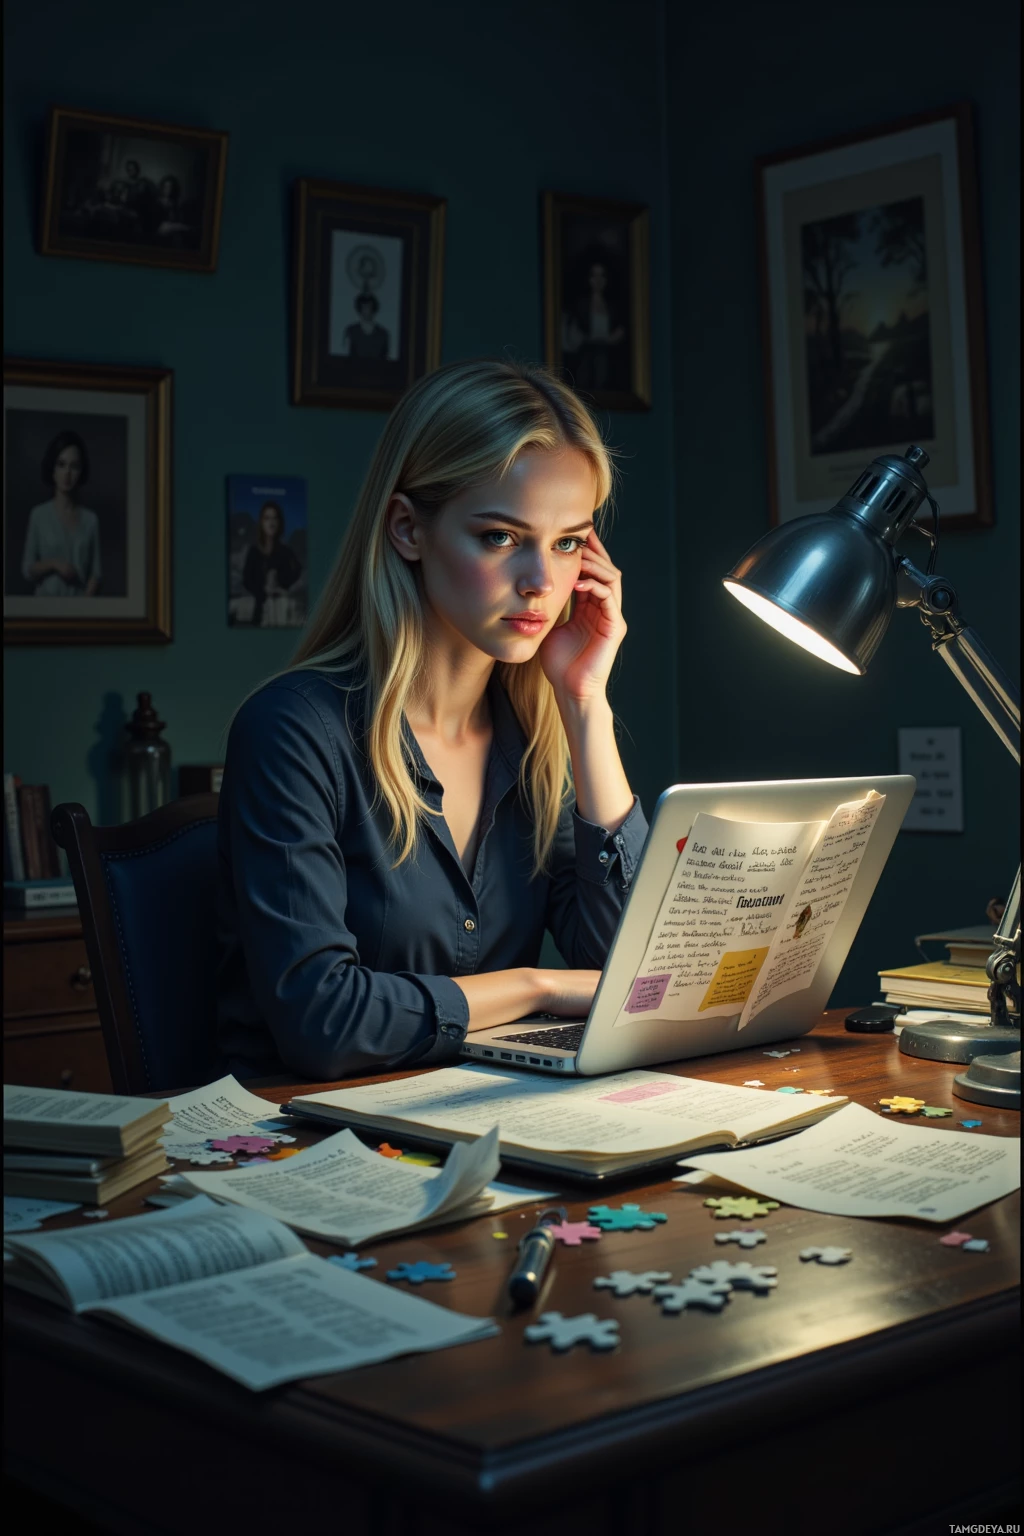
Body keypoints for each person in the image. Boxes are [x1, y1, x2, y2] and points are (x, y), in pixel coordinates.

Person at [217, 357, 647, 1081]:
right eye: (500, 537)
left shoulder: (537, 741)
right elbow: (324, 1024)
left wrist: (585, 706)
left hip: (482, 1129)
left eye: (568, 541)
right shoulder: (292, 731)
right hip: (297, 1145)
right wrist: (539, 987)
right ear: (409, 529)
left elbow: (633, 980)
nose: (543, 582)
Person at [21, 430, 102, 597]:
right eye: (61, 464)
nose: (67, 473)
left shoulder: (90, 520)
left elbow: (97, 573)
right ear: (53, 469)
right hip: (44, 610)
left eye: (74, 466)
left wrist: (84, 607)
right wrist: (54, 564)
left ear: (81, 472)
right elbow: (27, 569)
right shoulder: (38, 515)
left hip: (80, 612)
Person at [562, 246, 627, 391]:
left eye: (602, 275)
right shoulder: (580, 305)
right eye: (594, 275)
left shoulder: (613, 307)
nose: (598, 280)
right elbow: (574, 334)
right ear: (588, 278)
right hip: (586, 358)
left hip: (608, 359)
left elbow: (621, 333)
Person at [240, 501, 303, 627]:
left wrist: (283, 587)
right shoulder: (254, 551)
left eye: (275, 518)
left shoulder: (286, 552)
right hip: (260, 607)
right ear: (261, 522)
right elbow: (246, 579)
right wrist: (262, 591)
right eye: (267, 518)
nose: (271, 522)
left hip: (281, 607)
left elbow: (297, 571)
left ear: (279, 522)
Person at [343, 292, 391, 360]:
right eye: (364, 307)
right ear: (359, 309)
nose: (366, 311)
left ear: (373, 309)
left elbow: (386, 357)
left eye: (369, 307)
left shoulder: (383, 334)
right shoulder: (351, 331)